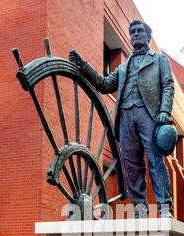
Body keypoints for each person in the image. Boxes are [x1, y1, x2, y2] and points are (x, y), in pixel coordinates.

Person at [69, 20, 175, 218]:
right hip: (126, 117)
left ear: (148, 36)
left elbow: (168, 86)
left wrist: (165, 111)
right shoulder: (124, 67)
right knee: (132, 166)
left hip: (149, 115)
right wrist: (83, 65)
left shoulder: (160, 60)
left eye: (139, 31)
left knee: (155, 161)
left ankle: (165, 208)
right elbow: (104, 84)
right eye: (132, 32)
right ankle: (140, 211)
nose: (135, 34)